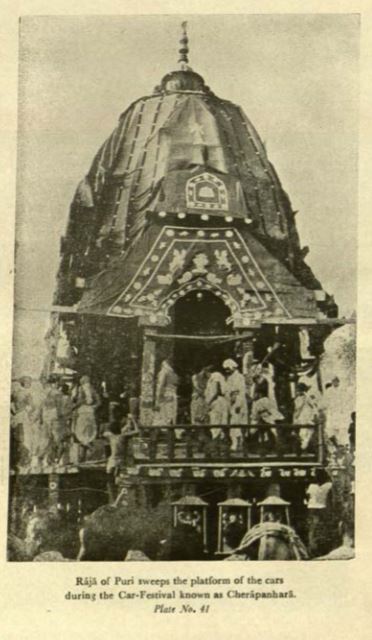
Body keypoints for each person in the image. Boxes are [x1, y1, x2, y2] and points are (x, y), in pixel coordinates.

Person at [305, 471, 333, 557]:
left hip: (312, 507)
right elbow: (330, 498)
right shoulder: (329, 485)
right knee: (323, 526)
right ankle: (322, 546)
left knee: (312, 527)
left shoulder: (312, 486)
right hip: (323, 508)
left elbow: (307, 497)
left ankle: (311, 546)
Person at [72, 375, 100, 459]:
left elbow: (79, 401)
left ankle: (84, 455)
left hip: (82, 411)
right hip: (90, 412)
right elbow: (99, 402)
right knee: (89, 433)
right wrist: (93, 407)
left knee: (81, 433)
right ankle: (88, 455)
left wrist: (74, 406)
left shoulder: (80, 389)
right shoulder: (93, 390)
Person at [223, 359, 248, 451]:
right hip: (232, 403)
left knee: (237, 423)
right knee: (234, 423)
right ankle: (236, 443)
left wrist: (237, 403)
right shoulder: (230, 377)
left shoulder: (239, 377)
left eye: (228, 369)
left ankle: (238, 443)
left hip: (238, 402)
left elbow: (239, 391)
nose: (227, 371)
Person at [293, 382, 319, 451]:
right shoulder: (297, 399)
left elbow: (314, 406)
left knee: (308, 432)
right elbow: (296, 409)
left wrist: (315, 415)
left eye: (298, 390)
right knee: (302, 434)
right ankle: (304, 447)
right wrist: (295, 418)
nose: (297, 392)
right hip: (301, 417)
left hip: (308, 416)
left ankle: (305, 446)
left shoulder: (307, 397)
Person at [155, 359, 179, 432]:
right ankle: (170, 433)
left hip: (165, 395)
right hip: (173, 395)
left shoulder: (164, 372)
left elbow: (161, 385)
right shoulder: (174, 374)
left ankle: (164, 433)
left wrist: (158, 398)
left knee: (163, 416)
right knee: (171, 415)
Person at [205, 371, 228, 439]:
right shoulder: (209, 381)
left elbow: (216, 391)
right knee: (215, 422)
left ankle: (218, 439)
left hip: (218, 402)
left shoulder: (216, 375)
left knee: (217, 422)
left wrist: (208, 403)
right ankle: (217, 439)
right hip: (214, 402)